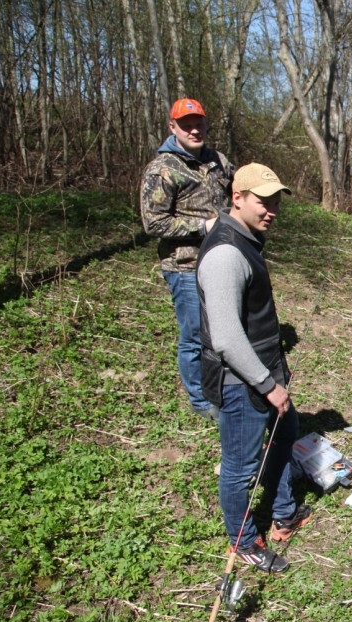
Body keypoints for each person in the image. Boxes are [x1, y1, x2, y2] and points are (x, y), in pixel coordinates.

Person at [197, 163, 311, 573]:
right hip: (241, 383)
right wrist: (268, 385)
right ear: (237, 198)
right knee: (239, 468)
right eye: (263, 201)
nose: (271, 210)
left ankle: (283, 513)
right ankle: (243, 541)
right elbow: (226, 338)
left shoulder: (244, 239)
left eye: (276, 201)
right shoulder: (226, 253)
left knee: (285, 433)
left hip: (264, 372)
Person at [141, 98, 233, 422]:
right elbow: (153, 223)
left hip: (221, 261)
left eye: (198, 124)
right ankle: (199, 398)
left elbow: (236, 194)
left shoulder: (219, 160)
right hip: (185, 267)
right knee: (194, 336)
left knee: (221, 332)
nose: (194, 130)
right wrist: (203, 226)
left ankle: (223, 386)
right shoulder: (162, 169)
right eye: (186, 125)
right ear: (173, 127)